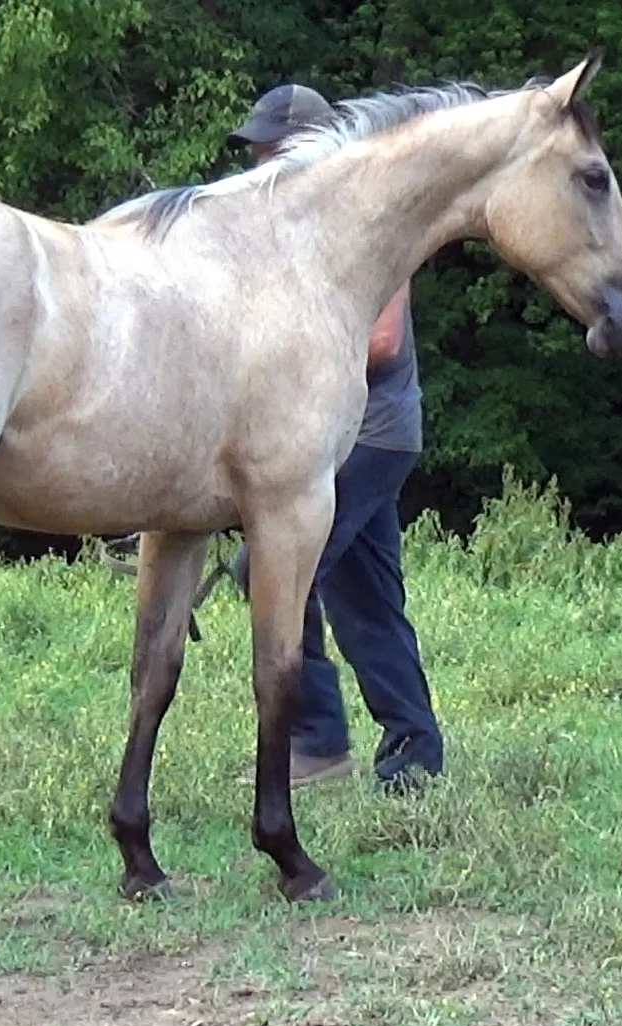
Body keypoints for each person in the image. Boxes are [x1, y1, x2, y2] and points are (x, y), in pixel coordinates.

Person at [224, 83, 444, 794]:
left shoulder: (367, 230)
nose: (257, 161)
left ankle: (317, 740)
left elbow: (379, 343)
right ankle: (415, 755)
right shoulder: (291, 235)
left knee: (276, 570)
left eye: (268, 149)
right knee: (370, 600)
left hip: (371, 436)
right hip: (348, 440)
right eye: (255, 149)